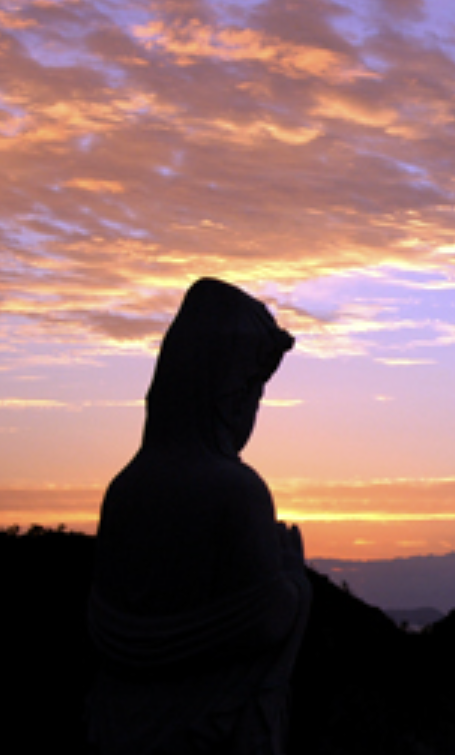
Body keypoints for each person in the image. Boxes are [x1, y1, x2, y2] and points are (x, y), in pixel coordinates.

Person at [88, 278, 310, 755]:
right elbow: (264, 623)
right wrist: (293, 579)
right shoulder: (237, 492)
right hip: (205, 728)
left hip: (115, 723)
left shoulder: (123, 490)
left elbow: (107, 622)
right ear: (231, 394)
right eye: (254, 394)